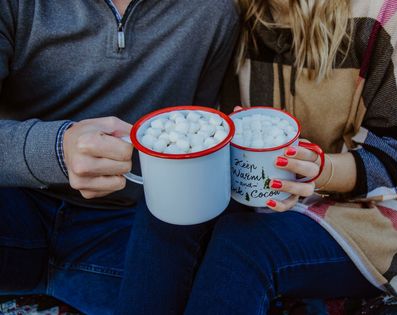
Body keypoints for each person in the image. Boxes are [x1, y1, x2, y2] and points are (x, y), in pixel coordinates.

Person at [180, 0, 397, 313]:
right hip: (256, 190)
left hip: (364, 209)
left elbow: (394, 159)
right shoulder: (234, 8)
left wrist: (317, 170)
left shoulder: (390, 9)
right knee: (174, 215)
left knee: (241, 247)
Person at [0, 0, 239, 314]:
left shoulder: (214, 12)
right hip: (18, 206)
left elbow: (199, 130)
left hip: (128, 229)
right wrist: (58, 148)